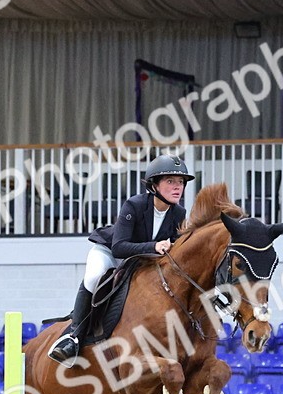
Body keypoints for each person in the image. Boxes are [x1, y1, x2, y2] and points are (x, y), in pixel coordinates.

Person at [48, 154, 195, 365]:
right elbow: (119, 247)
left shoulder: (179, 212)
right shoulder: (134, 205)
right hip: (110, 253)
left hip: (141, 261)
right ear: (154, 185)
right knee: (94, 277)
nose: (177, 187)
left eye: (180, 182)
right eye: (170, 181)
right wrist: (153, 246)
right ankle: (74, 336)